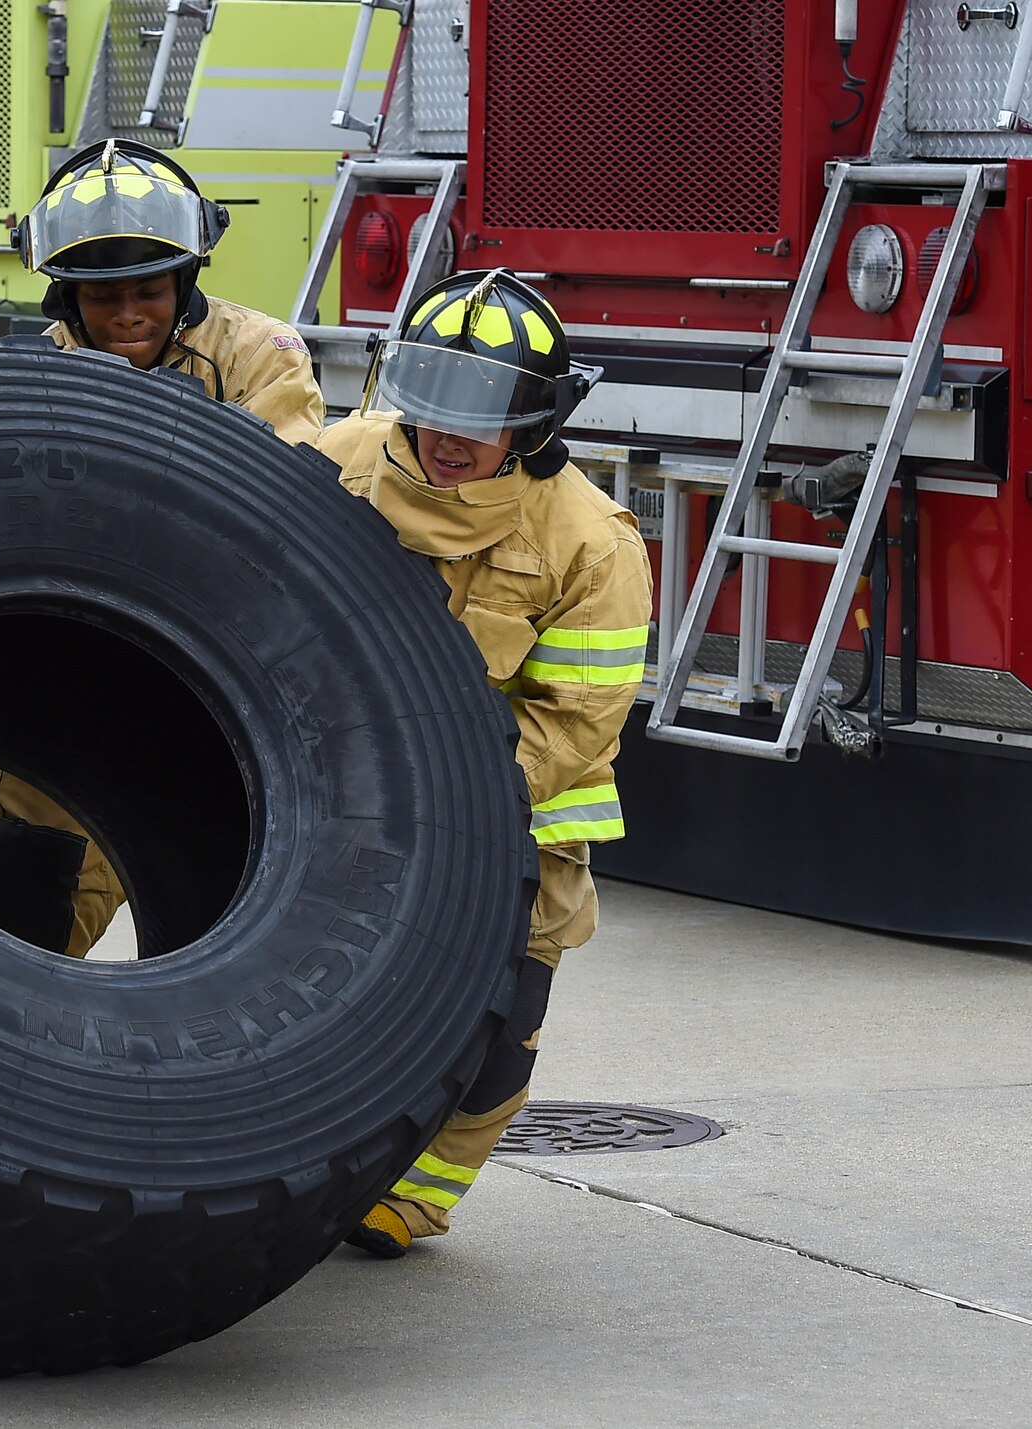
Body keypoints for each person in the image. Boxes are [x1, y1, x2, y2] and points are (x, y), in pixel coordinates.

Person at [313, 269, 651, 1257]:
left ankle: (417, 1194)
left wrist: (431, 796)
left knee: (495, 1031)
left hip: (518, 823)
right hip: (329, 804)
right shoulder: (331, 463)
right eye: (431, 402)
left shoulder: (590, 544)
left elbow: (574, 725)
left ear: (537, 421)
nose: (448, 434)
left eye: (483, 411)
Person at [0, 138, 328, 958]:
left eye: (150, 292)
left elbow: (284, 512)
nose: (129, 314)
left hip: (211, 704)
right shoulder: (31, 379)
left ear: (186, 283)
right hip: (66, 700)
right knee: (8, 946)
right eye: (103, 296)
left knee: (220, 959)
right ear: (64, 296)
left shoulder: (263, 358)